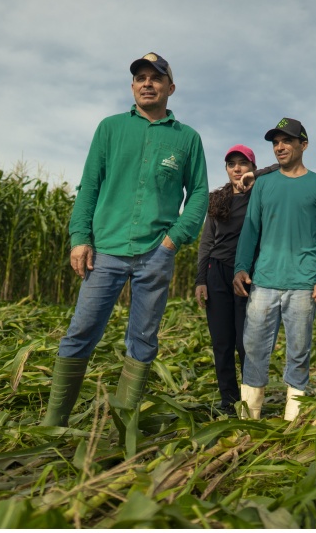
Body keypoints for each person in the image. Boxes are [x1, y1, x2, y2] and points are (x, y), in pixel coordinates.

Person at [40, 52, 209, 427]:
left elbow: (199, 193)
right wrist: (80, 237)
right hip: (105, 252)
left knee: (144, 340)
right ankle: (53, 424)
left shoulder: (187, 139)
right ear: (132, 86)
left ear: (170, 88)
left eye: (156, 78)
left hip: (156, 254)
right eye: (141, 78)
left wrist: (173, 240)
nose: (148, 83)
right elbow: (89, 186)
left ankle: (122, 427)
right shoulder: (110, 128)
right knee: (81, 332)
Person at [232, 117, 316, 422]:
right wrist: (241, 267)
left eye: (287, 141)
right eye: (275, 143)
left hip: (303, 283)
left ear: (303, 145)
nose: (279, 147)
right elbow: (250, 230)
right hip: (264, 280)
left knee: (299, 351)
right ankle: (249, 417)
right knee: (253, 348)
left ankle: (293, 419)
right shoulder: (264, 184)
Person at [193, 146, 277, 415]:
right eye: (232, 164)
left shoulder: (261, 195)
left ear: (252, 166)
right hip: (217, 273)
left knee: (246, 343)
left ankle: (250, 401)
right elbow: (207, 242)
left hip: (249, 276)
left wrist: (256, 176)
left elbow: (282, 167)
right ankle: (228, 402)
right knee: (222, 342)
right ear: (226, 169)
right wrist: (200, 280)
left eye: (243, 163)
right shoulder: (217, 199)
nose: (237, 168)